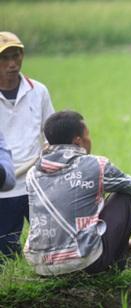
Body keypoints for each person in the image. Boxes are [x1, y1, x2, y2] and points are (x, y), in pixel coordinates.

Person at [24, 110, 131, 275]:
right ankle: (120, 260)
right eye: (88, 134)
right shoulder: (95, 165)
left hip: (40, 266)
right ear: (78, 141)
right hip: (85, 262)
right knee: (127, 196)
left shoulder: (33, 174)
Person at [0, 31, 55, 260]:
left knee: (49, 247)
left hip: (37, 185)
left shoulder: (38, 91)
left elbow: (51, 133)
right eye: (5, 58)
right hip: (4, 188)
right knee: (5, 254)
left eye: (17, 55)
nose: (12, 64)